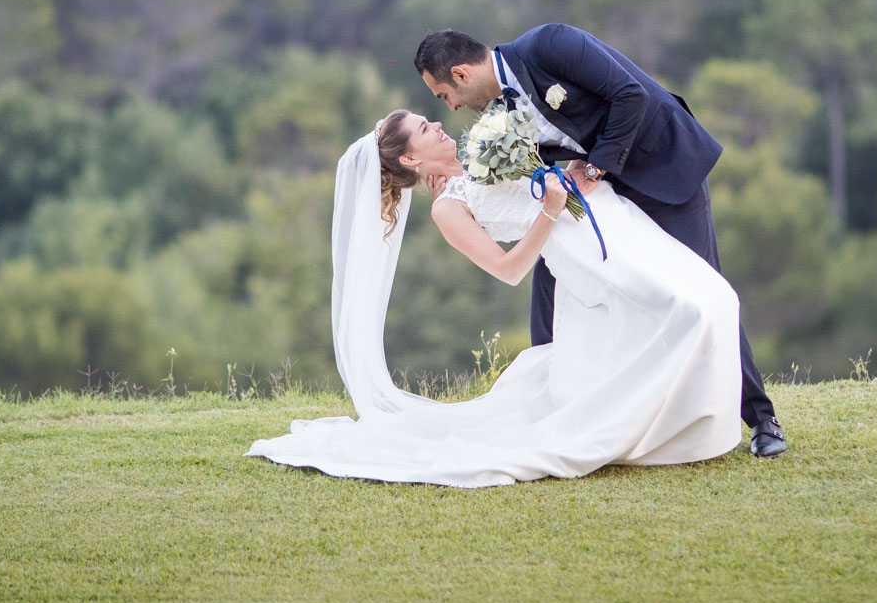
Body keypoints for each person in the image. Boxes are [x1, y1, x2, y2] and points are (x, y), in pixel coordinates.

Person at [245, 110, 742, 488]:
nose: (437, 122)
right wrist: (549, 210)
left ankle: (699, 423)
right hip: (580, 251)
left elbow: (558, 172)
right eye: (423, 127)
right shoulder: (448, 207)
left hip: (610, 219)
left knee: (715, 297)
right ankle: (682, 433)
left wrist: (577, 177)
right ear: (411, 159)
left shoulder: (490, 141)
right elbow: (508, 270)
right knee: (688, 312)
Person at [414, 25, 787, 458]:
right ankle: (558, 409)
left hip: (661, 166)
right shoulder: (496, 117)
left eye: (444, 96)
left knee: (702, 288)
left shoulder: (549, 45)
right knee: (551, 287)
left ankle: (762, 418)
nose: (453, 106)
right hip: (602, 200)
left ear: (460, 75)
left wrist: (592, 171)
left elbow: (631, 96)